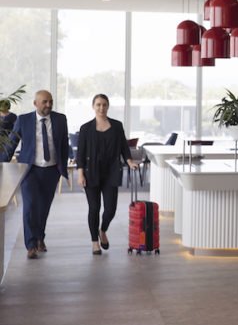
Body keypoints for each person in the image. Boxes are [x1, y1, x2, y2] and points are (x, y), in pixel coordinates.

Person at [1, 90, 70, 259]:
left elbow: (64, 145)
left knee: (43, 208)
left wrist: (63, 167)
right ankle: (31, 244)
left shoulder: (60, 119)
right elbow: (11, 143)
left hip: (52, 170)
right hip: (29, 170)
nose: (48, 105)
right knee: (30, 207)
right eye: (45, 102)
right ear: (35, 103)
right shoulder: (23, 120)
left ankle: (40, 237)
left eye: (51, 102)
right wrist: (2, 162)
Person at [75, 94, 138, 255]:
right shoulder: (85, 128)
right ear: (93, 107)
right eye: (98, 105)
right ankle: (94, 242)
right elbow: (80, 154)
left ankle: (103, 230)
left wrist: (129, 161)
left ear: (108, 106)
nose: (101, 108)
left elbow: (124, 147)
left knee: (110, 209)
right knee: (94, 208)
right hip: (91, 173)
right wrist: (80, 174)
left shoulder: (117, 126)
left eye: (104, 105)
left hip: (111, 171)